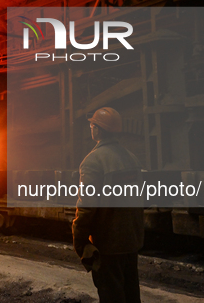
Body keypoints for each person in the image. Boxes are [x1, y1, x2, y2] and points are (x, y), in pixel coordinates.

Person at [72, 107, 144, 303]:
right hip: (130, 242)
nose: (91, 128)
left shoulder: (93, 161)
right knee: (131, 294)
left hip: (108, 244)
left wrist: (79, 239)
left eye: (92, 125)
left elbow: (87, 206)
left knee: (111, 295)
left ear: (99, 130)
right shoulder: (132, 159)